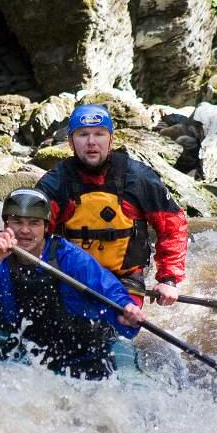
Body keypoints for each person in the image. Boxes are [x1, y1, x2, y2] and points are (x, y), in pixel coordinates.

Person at [0, 188, 146, 380]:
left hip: (83, 356)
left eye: (34, 223)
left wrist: (125, 313)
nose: (24, 230)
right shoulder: (1, 261)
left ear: (46, 227)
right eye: (17, 221)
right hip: (32, 355)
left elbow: (108, 290)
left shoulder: (70, 258)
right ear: (6, 225)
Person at [35, 104, 188, 306]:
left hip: (125, 282)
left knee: (112, 326)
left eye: (99, 134)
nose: (91, 142)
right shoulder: (56, 183)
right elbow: (31, 233)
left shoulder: (138, 178)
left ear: (111, 140)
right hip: (70, 278)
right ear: (71, 142)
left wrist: (168, 279)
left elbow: (173, 226)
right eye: (82, 135)